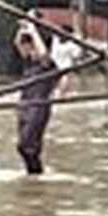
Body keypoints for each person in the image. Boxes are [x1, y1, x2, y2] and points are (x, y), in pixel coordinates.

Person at [14, 23, 59, 174]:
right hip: (24, 107)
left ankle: (36, 173)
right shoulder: (28, 64)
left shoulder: (48, 65)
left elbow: (43, 54)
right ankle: (34, 175)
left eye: (30, 46)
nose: (27, 49)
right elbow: (18, 43)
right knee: (26, 148)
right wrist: (24, 26)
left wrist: (33, 31)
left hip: (38, 108)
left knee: (25, 145)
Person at [49, 23, 84, 95]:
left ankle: (61, 92)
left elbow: (77, 56)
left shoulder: (72, 45)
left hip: (65, 68)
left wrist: (78, 39)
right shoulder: (55, 39)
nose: (61, 35)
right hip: (53, 66)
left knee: (65, 76)